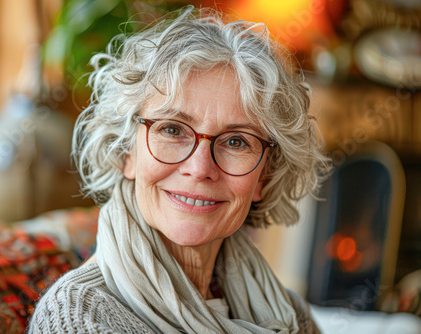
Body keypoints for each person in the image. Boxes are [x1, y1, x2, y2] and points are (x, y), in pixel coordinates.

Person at [28, 6, 328, 333]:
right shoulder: (80, 316)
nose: (200, 168)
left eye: (237, 142)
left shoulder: (289, 314)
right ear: (127, 151)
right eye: (172, 130)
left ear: (264, 177)